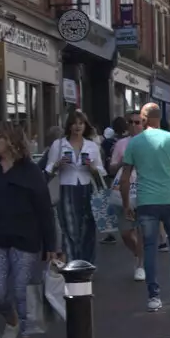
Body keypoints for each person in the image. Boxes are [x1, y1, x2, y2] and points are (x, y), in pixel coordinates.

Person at [0, 124, 56, 338]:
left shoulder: (30, 172)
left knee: (23, 291)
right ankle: (12, 321)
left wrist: (50, 243)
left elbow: (44, 209)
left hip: (25, 239)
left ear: (11, 141)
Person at [119, 102, 170, 311]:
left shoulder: (134, 143)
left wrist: (126, 204)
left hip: (146, 201)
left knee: (149, 248)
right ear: (159, 118)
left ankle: (153, 297)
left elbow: (125, 179)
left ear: (143, 120)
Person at [44, 110, 103, 264]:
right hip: (66, 189)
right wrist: (58, 164)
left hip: (86, 189)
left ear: (85, 126)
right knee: (69, 228)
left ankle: (86, 264)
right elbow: (48, 168)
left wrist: (91, 167)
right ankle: (72, 263)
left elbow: (101, 171)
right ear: (69, 126)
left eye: (81, 123)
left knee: (88, 228)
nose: (77, 127)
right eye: (74, 123)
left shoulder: (91, 145)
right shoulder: (59, 144)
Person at [111, 113, 147, 281]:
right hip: (123, 190)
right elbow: (111, 169)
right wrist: (123, 163)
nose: (134, 125)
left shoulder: (149, 142)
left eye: (137, 122)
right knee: (126, 233)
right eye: (130, 122)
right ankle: (137, 254)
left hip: (143, 190)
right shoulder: (121, 144)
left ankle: (140, 264)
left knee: (141, 229)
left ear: (143, 124)